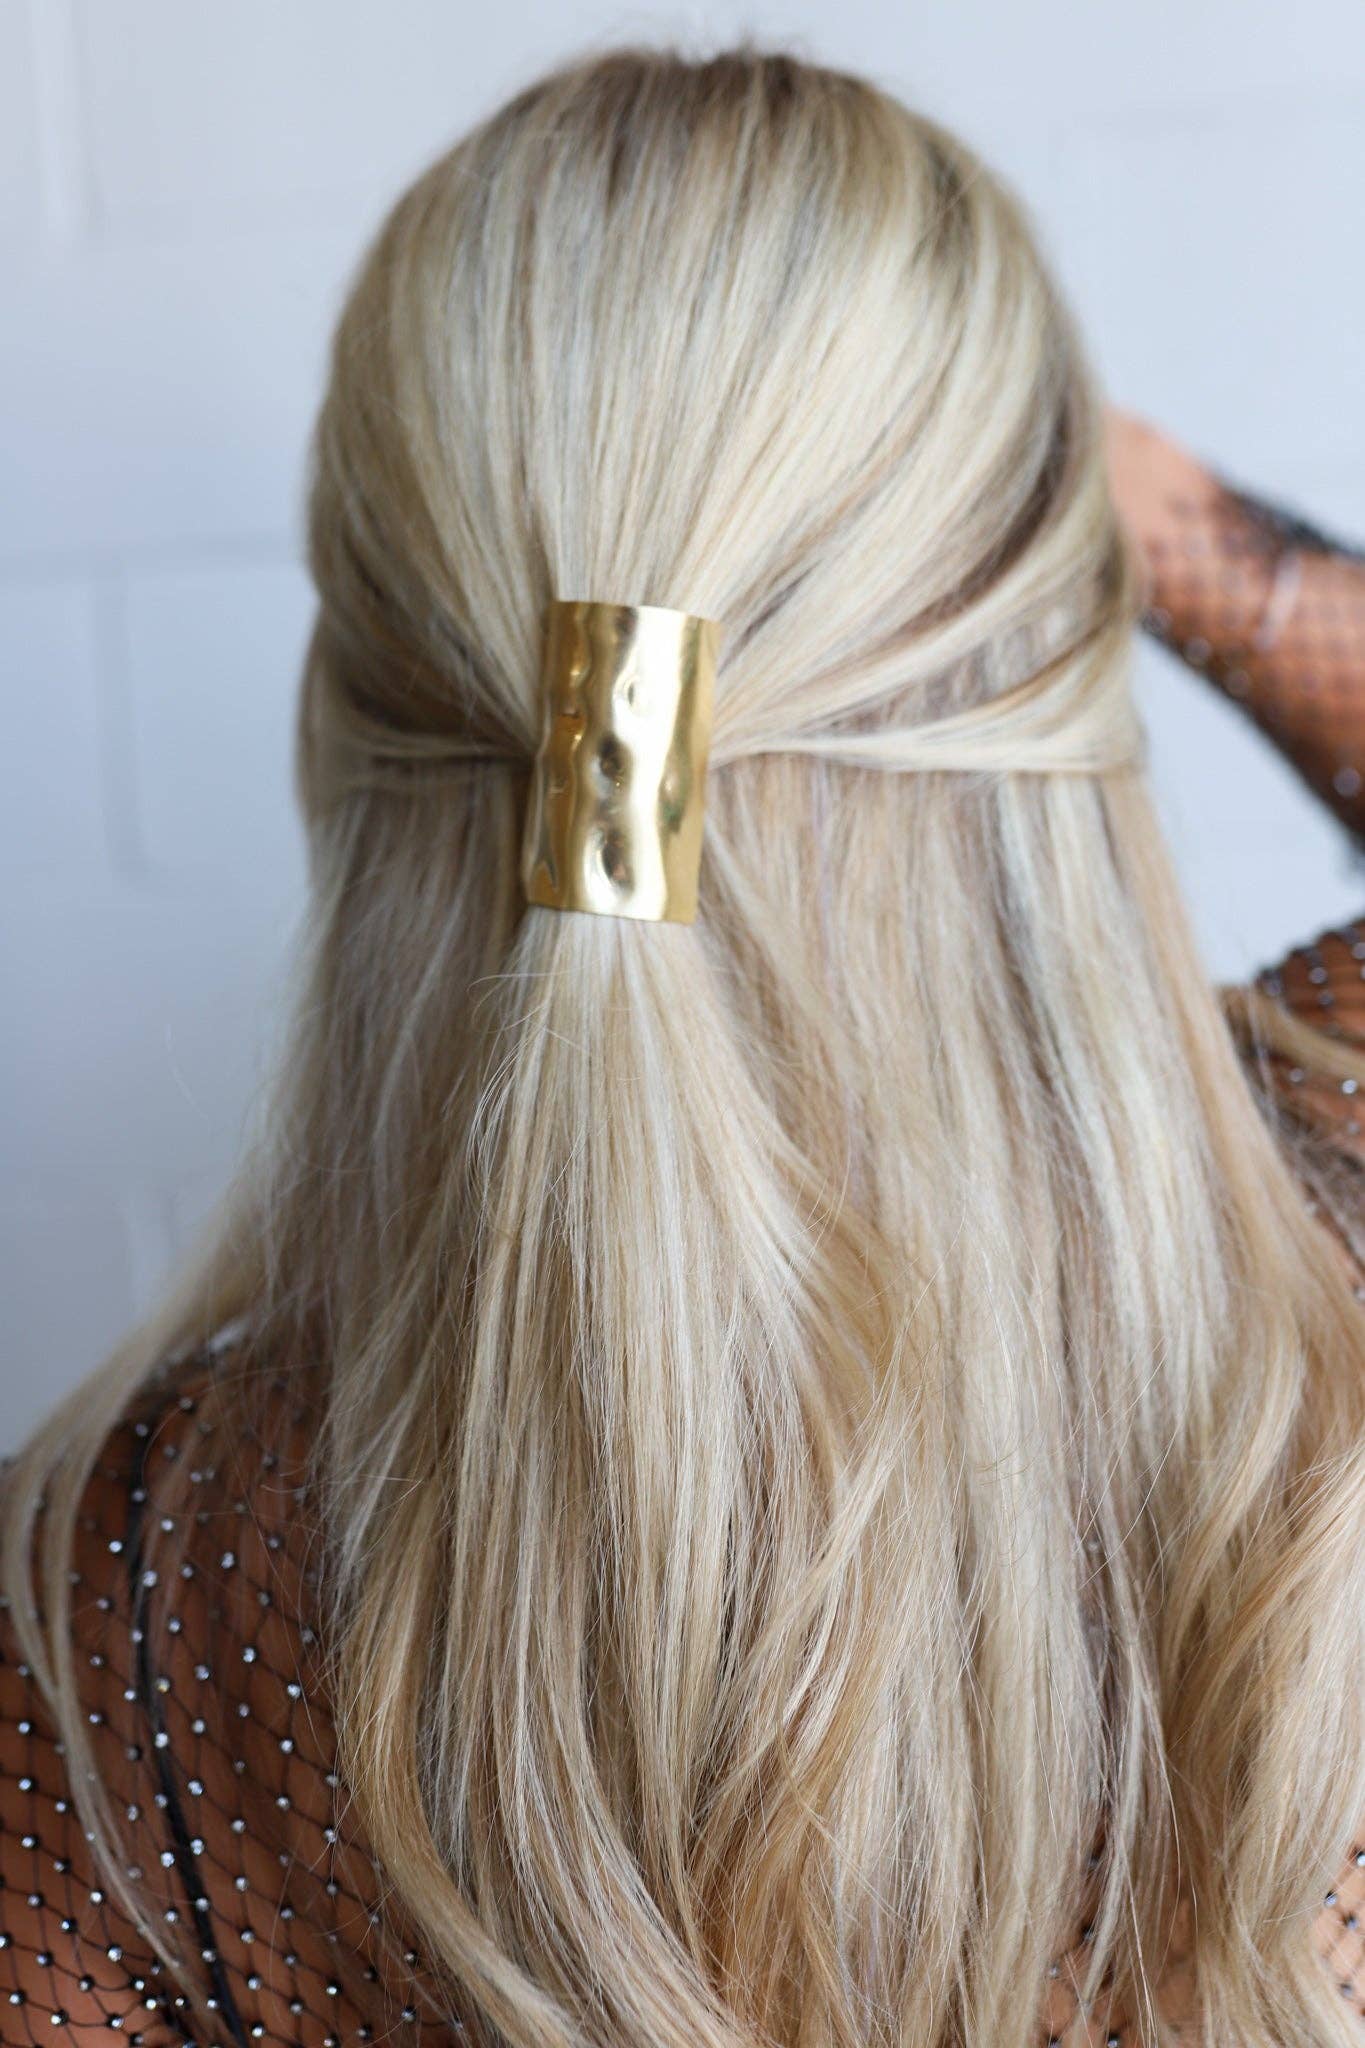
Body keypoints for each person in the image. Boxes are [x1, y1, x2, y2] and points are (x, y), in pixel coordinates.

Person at [3, 46, 1365, 2048]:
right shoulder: (1328, 1249)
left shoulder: (112, 1621)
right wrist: (1154, 515)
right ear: (1040, 671)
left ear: (360, 706)